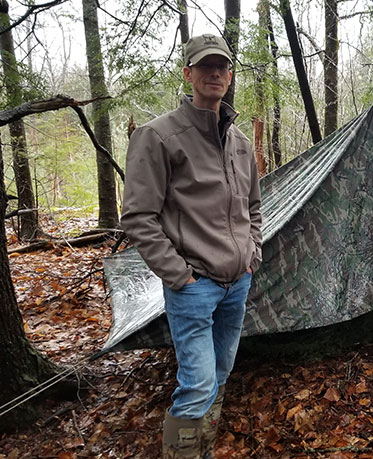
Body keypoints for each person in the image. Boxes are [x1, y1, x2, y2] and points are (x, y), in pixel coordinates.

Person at [121, 33, 262, 458]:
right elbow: (138, 216)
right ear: (189, 73)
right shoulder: (159, 136)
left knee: (220, 373)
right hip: (194, 285)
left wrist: (252, 253)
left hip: (237, 282)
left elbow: (253, 206)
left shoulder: (240, 142)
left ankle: (203, 447)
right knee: (198, 382)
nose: (214, 72)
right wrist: (180, 275)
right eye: (205, 66)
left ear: (230, 75)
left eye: (221, 66)